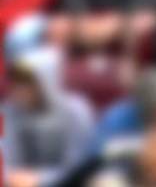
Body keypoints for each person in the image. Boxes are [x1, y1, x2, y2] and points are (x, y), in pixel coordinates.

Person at [2, 45, 96, 187]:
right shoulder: (10, 112)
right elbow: (7, 156)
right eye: (17, 82)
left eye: (28, 83)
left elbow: (79, 164)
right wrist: (13, 176)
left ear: (46, 81)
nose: (20, 89)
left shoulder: (76, 112)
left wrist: (41, 179)